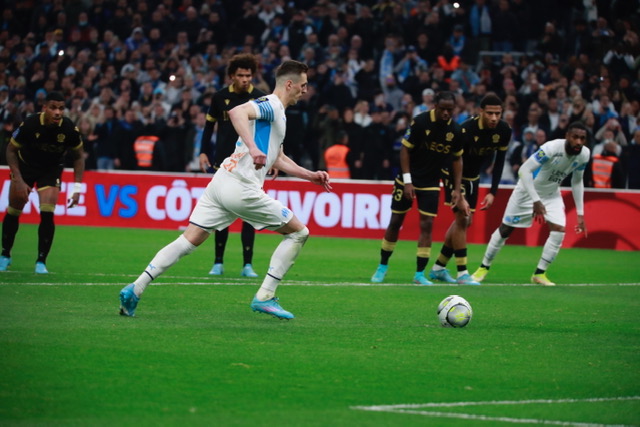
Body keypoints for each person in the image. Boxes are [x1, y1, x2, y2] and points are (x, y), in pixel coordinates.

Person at [119, 60, 331, 319]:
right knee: (299, 233)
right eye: (303, 85)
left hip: (221, 182)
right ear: (290, 84)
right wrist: (253, 148)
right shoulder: (272, 104)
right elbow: (236, 113)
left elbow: (279, 157)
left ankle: (135, 288)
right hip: (241, 187)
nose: (306, 90)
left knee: (189, 240)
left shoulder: (278, 113)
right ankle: (265, 295)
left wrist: (310, 175)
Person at [471, 122, 590, 286]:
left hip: (551, 194)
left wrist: (580, 214)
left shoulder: (584, 154)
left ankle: (539, 273)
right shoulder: (551, 148)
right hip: (527, 191)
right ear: (567, 136)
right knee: (505, 229)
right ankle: (483, 268)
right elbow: (523, 170)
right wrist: (536, 201)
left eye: (582, 138)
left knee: (559, 230)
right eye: (575, 137)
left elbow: (577, 182)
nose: (578, 142)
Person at [370, 91, 468, 285]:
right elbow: (405, 150)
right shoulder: (421, 122)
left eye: (450, 110)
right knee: (396, 221)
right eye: (443, 109)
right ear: (435, 107)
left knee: (427, 225)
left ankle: (419, 274)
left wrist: (457, 189)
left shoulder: (456, 131)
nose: (446, 113)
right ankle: (382, 267)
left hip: (431, 182)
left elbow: (457, 159)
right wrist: (407, 181)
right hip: (408, 178)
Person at [430, 93, 512, 285]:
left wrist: (493, 192)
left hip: (473, 177)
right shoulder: (465, 130)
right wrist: (458, 193)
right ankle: (462, 273)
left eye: (497, 114)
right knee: (463, 218)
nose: (494, 118)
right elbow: (451, 161)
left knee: (465, 222)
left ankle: (438, 268)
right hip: (452, 174)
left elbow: (499, 162)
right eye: (490, 113)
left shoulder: (503, 130)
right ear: (480, 111)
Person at [199, 53, 268, 278]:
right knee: (223, 212)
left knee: (248, 212)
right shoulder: (219, 98)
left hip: (250, 164)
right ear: (232, 76)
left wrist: (273, 157)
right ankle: (218, 262)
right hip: (224, 162)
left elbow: (269, 131)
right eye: (241, 75)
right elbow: (209, 127)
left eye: (248, 75)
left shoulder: (260, 98)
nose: (245, 79)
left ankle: (247, 264)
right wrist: (203, 152)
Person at [0, 91, 84, 274]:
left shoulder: (69, 128)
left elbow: (78, 157)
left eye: (61, 108)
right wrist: (19, 180)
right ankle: (5, 255)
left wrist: (77, 189)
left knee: (47, 211)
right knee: (14, 210)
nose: (58, 112)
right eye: (53, 107)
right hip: (25, 167)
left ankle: (41, 262)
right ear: (44, 108)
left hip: (51, 169)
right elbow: (11, 150)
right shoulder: (30, 123)